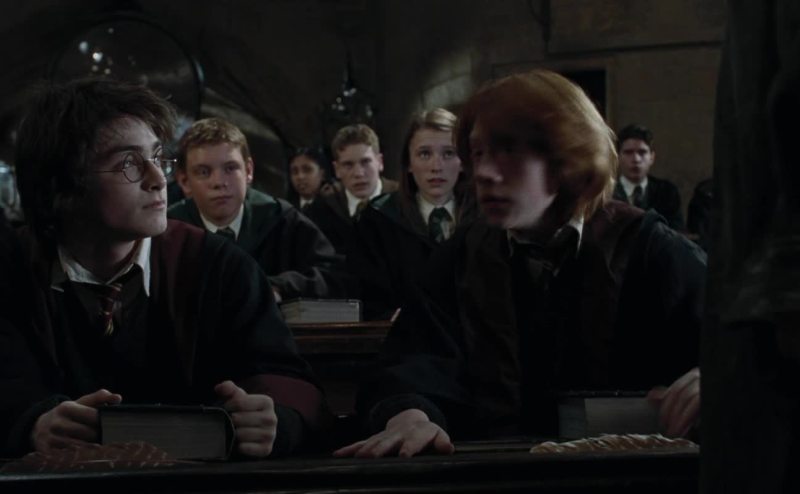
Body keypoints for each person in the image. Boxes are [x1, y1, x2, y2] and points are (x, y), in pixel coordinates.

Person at [335, 69, 705, 458]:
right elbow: (412, 360)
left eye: (509, 152)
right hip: (495, 473)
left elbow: (731, 350)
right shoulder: (464, 255)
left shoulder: (647, 248)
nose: (484, 173)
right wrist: (410, 413)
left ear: (570, 160)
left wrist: (714, 379)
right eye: (478, 154)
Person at [0, 78, 327, 459]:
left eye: (157, 158)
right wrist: (32, 424)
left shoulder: (219, 266)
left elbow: (288, 382)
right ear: (62, 185)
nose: (159, 180)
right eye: (128, 164)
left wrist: (275, 421)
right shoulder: (12, 268)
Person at [168, 118, 344, 302]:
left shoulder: (281, 220)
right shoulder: (168, 230)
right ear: (184, 181)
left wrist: (278, 287)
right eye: (204, 172)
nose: (219, 182)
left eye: (230, 168)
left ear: (249, 171)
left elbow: (334, 275)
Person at [349, 108, 475, 320]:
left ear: (463, 162)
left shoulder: (484, 217)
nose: (436, 166)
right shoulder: (378, 219)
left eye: (448, 153)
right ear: (408, 163)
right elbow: (368, 298)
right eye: (424, 154)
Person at [305, 124, 398, 255]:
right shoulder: (324, 207)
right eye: (348, 165)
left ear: (380, 162)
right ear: (337, 169)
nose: (359, 173)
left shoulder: (403, 200)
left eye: (365, 162)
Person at [613, 124, 684, 231]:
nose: (636, 159)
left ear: (652, 157)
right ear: (618, 157)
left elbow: (676, 231)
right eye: (628, 152)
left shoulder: (667, 192)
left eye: (642, 152)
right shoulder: (606, 193)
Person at [287, 147, 332, 212]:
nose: (300, 177)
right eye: (294, 172)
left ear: (322, 174)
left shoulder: (335, 207)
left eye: (307, 170)